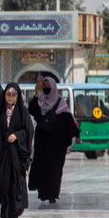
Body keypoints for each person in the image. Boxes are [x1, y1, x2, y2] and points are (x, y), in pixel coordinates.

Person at [0, 83, 34, 218]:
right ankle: (7, 210)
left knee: (16, 182)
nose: (10, 98)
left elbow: (29, 131)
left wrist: (17, 136)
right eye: (8, 95)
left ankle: (15, 213)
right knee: (4, 182)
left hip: (17, 155)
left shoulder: (23, 112)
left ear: (17, 96)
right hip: (2, 153)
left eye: (13, 95)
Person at [28, 76, 80, 204]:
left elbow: (69, 122)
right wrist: (36, 92)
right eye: (44, 85)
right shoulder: (40, 101)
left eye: (48, 85)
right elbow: (32, 110)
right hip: (42, 142)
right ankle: (43, 193)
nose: (45, 88)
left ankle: (52, 194)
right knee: (42, 167)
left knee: (54, 170)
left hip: (56, 144)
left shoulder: (61, 104)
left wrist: (76, 135)